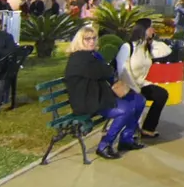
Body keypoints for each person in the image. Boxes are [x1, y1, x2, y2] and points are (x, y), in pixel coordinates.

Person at [64, 26, 147, 160]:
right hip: (87, 101)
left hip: (99, 95)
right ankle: (105, 144)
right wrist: (106, 68)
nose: (91, 41)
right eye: (87, 39)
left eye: (93, 38)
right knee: (125, 110)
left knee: (139, 100)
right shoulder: (80, 58)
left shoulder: (91, 55)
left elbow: (107, 72)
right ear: (80, 41)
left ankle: (126, 139)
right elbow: (106, 72)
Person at [116, 19, 172, 138]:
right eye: (151, 27)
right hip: (127, 85)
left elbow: (167, 50)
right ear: (143, 29)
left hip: (141, 84)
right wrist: (135, 89)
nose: (154, 30)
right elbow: (123, 71)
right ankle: (130, 131)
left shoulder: (145, 47)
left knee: (161, 94)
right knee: (138, 99)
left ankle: (148, 128)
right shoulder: (127, 47)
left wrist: (152, 41)